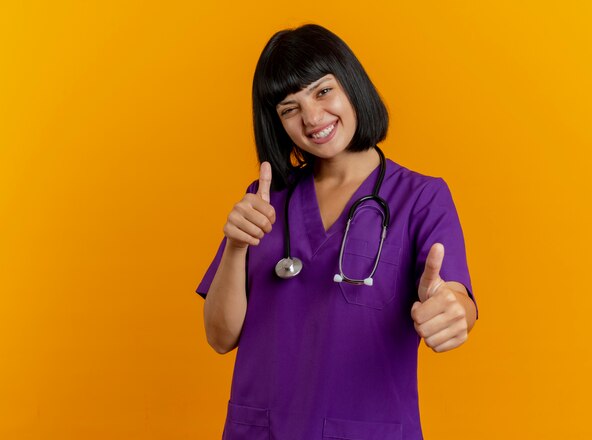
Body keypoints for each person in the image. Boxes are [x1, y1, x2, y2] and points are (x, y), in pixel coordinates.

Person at [195, 23, 478, 440]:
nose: (311, 117)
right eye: (289, 108)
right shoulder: (264, 201)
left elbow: (454, 296)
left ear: (352, 85)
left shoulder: (421, 197)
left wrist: (453, 310)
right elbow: (220, 338)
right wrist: (236, 247)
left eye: (323, 91)